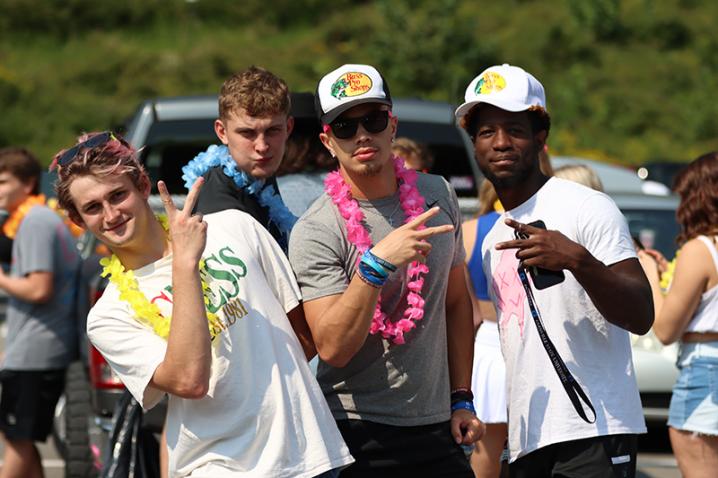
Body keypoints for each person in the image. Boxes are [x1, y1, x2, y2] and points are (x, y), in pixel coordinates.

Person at [52, 132, 353, 477]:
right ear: (79, 221)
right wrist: (184, 265)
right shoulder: (108, 315)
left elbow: (303, 338)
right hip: (218, 466)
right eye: (92, 207)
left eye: (118, 195)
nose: (110, 214)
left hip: (307, 454)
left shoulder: (236, 226)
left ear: (143, 186)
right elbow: (189, 381)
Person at [456, 64, 653, 477]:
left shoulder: (586, 206)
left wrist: (577, 261)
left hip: (596, 430)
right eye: (487, 132)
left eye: (515, 129)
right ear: (474, 145)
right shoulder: (493, 239)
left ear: (541, 137)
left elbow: (641, 314)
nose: (501, 143)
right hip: (528, 434)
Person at [288, 63, 483, 477]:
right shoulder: (317, 228)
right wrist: (374, 266)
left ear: (391, 126)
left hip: (436, 428)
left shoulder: (437, 195)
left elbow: (457, 303)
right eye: (344, 126)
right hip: (357, 433)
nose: (362, 135)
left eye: (373, 119)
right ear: (327, 141)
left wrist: (462, 397)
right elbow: (333, 347)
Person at [0, 147, 80, 478]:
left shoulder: (34, 221)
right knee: (20, 438)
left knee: (18, 440)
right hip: (33, 349)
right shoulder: (37, 218)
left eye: (3, 181)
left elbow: (38, 289)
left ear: (29, 182)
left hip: (37, 351)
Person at [638, 152, 718, 477]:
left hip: (705, 373)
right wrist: (669, 272)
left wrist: (650, 278)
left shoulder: (700, 249)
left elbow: (666, 329)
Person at [182, 65, 296, 249]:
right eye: (247, 133)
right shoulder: (217, 201)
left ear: (288, 128)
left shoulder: (259, 177)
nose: (262, 146)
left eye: (273, 130)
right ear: (222, 132)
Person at [461, 179, 505, 478]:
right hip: (528, 340)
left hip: (486, 343)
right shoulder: (534, 225)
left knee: (485, 449)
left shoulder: (469, 230)